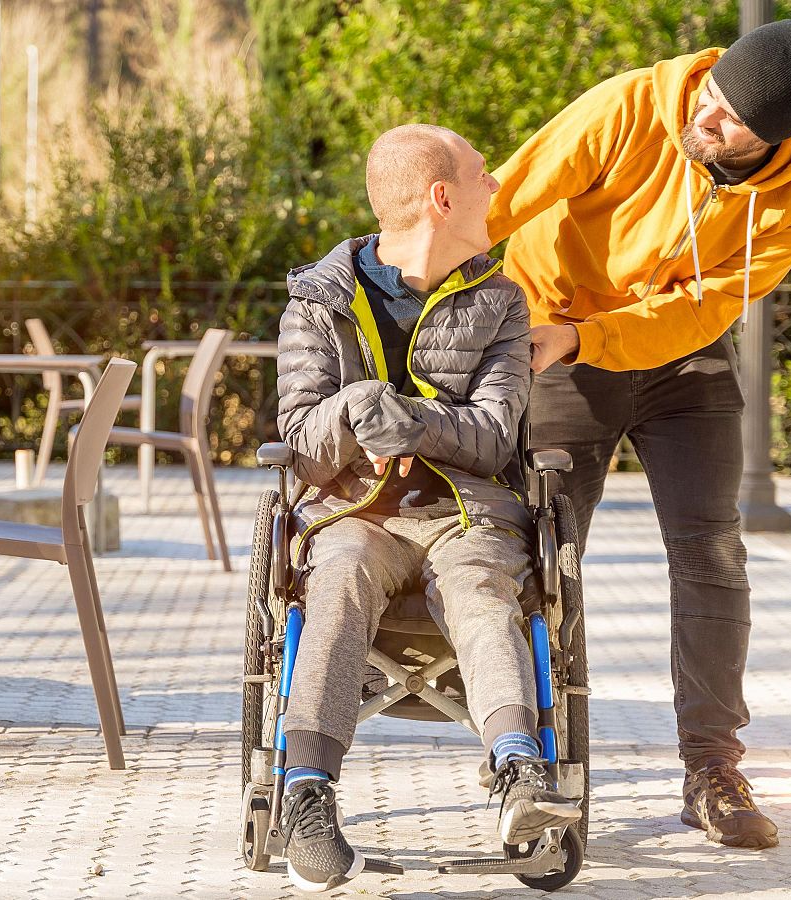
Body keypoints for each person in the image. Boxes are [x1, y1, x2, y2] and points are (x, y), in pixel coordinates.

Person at [485, 9, 791, 850]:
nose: (706, 115)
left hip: (680, 359)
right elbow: (507, 194)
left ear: (775, 138)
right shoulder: (631, 105)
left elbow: (708, 305)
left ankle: (711, 769)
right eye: (713, 92)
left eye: (729, 119)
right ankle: (535, 761)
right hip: (557, 340)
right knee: (543, 550)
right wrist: (410, 288)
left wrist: (595, 336)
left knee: (713, 553)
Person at [274, 123, 580, 893]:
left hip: (469, 514)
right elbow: (304, 444)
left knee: (483, 592)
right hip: (354, 514)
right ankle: (306, 795)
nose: (498, 187)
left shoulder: (501, 303)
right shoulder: (319, 302)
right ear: (443, 198)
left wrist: (404, 421)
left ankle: (518, 774)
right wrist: (358, 408)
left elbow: (494, 435)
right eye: (484, 175)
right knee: (336, 580)